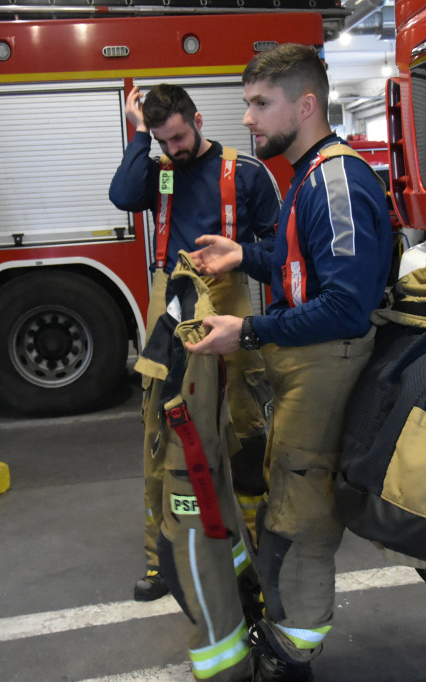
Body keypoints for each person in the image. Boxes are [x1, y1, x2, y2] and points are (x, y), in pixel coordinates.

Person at [186, 44, 393, 680]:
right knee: (284, 499)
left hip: (326, 362)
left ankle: (292, 654)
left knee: (301, 516)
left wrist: (246, 332)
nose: (246, 119)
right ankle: (284, 625)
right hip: (305, 364)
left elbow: (346, 307)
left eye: (259, 104)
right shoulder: (306, 174)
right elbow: (303, 262)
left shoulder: (334, 177)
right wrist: (243, 256)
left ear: (305, 105)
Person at [109, 84, 280, 602]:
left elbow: (277, 246)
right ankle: (162, 559)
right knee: (160, 428)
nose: (174, 149)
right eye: (163, 139)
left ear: (199, 119)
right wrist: (141, 134)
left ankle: (252, 546)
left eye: (179, 136)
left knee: (244, 425)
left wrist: (238, 255)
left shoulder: (247, 173)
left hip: (229, 296)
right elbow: (122, 195)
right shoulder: (159, 170)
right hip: (171, 300)